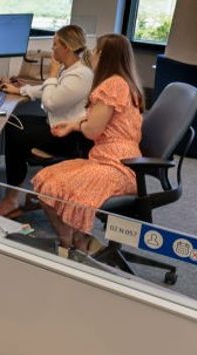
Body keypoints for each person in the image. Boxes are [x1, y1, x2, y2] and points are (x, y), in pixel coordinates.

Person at [31, 33, 145, 252]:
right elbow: (101, 120)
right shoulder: (125, 82)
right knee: (48, 179)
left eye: (94, 51)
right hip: (118, 159)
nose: (90, 55)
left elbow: (93, 130)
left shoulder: (112, 85)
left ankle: (70, 243)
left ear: (102, 56)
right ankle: (76, 242)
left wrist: (79, 126)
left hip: (116, 165)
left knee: (51, 186)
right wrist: (74, 125)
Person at [0, 25, 93, 218]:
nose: (52, 49)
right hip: (60, 127)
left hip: (71, 138)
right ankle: (19, 191)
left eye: (55, 45)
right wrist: (21, 91)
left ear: (66, 47)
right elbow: (50, 89)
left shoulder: (80, 76)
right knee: (16, 122)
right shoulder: (73, 70)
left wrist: (52, 73)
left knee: (15, 131)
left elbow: (51, 102)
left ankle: (12, 197)